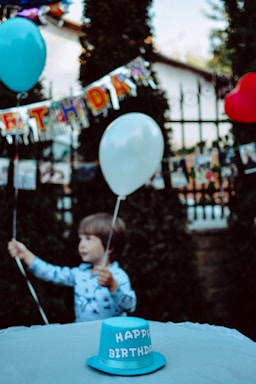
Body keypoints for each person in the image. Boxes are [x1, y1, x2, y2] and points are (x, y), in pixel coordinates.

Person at [8, 212, 136, 322]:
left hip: (108, 342)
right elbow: (52, 273)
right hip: (81, 336)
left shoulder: (118, 276)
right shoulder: (80, 273)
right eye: (80, 239)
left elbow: (130, 305)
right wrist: (26, 255)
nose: (81, 245)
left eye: (88, 239)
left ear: (110, 247)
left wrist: (113, 285)